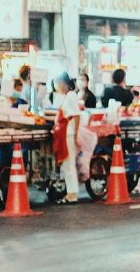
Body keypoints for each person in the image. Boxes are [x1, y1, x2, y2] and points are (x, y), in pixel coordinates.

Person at [51, 72, 81, 204]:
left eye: (56, 84)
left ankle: (72, 194)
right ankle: (70, 192)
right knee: (66, 165)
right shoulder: (66, 96)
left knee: (69, 165)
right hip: (65, 134)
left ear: (63, 83)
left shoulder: (71, 95)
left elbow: (76, 115)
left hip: (68, 134)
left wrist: (75, 135)